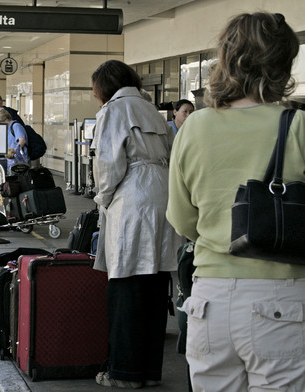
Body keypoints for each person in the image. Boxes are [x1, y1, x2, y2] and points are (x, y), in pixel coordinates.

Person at [166, 12, 305, 392]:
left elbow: (180, 217)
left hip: (209, 300)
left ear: (226, 59)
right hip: (283, 296)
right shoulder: (299, 127)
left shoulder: (194, 126)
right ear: (281, 63)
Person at [90, 60, 182, 389]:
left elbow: (108, 163)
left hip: (132, 196)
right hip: (161, 193)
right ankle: (149, 371)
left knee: (125, 283)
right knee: (155, 283)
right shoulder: (150, 110)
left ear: (103, 86)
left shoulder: (113, 111)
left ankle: (124, 372)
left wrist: (102, 199)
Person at [0, 108, 29, 173]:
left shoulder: (16, 126)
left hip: (19, 163)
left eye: (1, 122)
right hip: (9, 162)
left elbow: (22, 140)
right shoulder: (6, 129)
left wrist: (15, 150)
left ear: (6, 118)